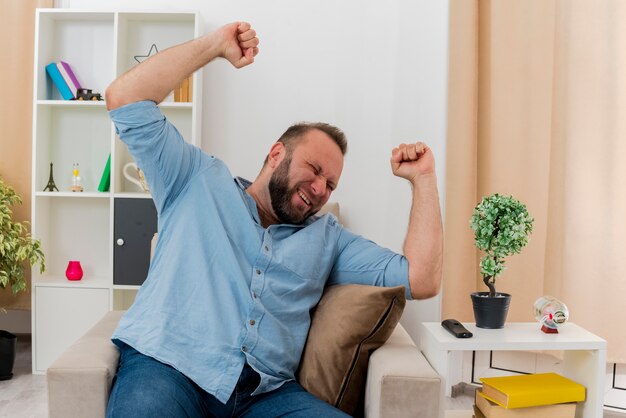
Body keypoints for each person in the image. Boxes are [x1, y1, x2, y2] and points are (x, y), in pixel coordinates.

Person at [104, 21, 443, 418]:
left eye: (331, 184)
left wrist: (423, 179)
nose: (320, 188)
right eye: (314, 169)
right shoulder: (196, 179)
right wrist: (215, 45)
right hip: (167, 370)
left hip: (265, 396)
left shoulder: (328, 239)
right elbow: (124, 97)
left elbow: (422, 279)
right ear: (277, 153)